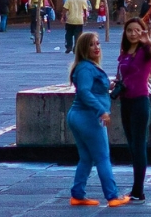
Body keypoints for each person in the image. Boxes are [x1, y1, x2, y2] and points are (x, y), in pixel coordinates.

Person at [65, 31, 125, 207]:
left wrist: (109, 84)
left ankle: (78, 194)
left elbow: (92, 88)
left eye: (98, 43)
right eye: (91, 44)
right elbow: (84, 91)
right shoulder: (85, 67)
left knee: (86, 158)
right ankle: (112, 196)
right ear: (83, 48)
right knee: (102, 157)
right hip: (88, 116)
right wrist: (101, 111)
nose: (96, 47)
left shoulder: (87, 66)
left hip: (79, 116)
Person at [116, 18, 151, 204]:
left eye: (137, 30)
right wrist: (117, 84)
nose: (133, 34)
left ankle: (139, 190)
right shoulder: (124, 53)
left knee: (138, 146)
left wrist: (148, 41)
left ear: (142, 32)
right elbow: (121, 74)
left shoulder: (145, 50)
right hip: (125, 102)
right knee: (131, 146)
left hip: (140, 102)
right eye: (129, 30)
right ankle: (135, 188)